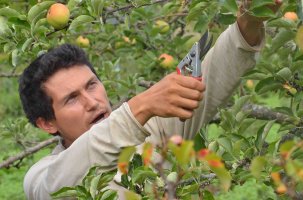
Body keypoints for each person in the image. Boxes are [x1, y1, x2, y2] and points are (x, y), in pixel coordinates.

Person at [19, 1, 282, 199]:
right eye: (71, 99)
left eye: (92, 85)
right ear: (47, 124)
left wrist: (247, 25)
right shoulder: (41, 178)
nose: (92, 102)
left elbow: (206, 82)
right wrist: (138, 107)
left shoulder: (149, 134)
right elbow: (58, 183)